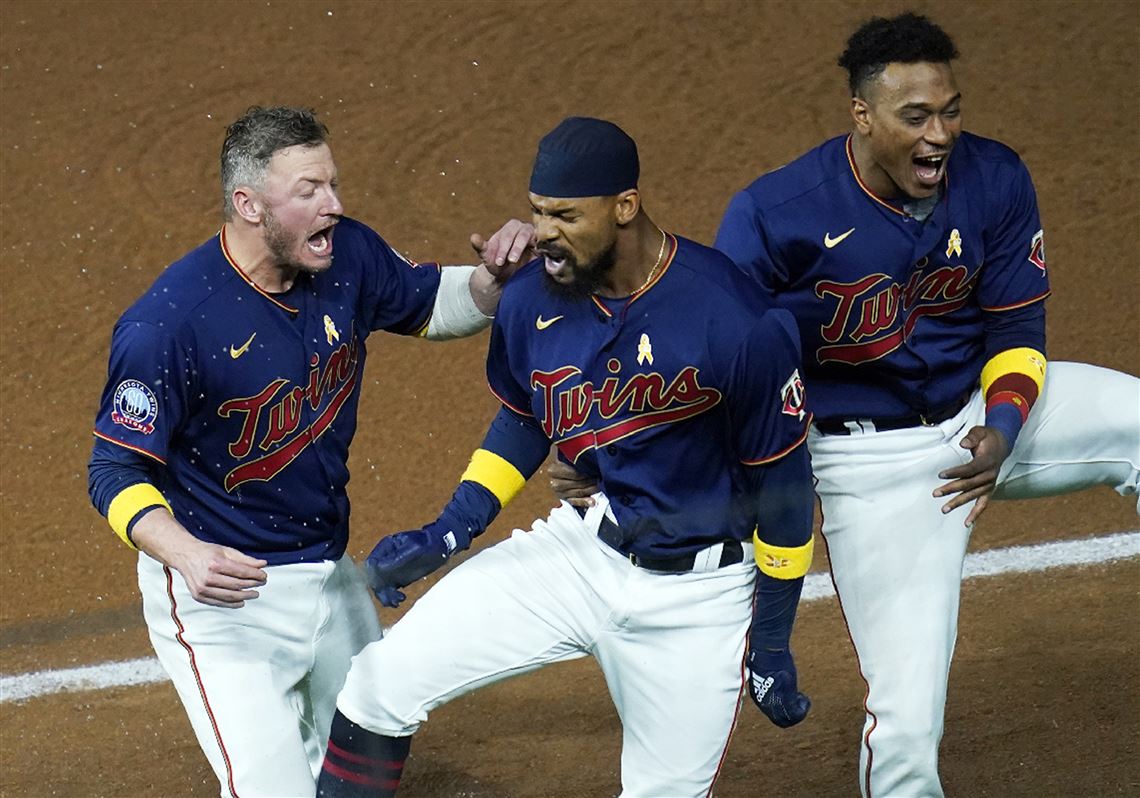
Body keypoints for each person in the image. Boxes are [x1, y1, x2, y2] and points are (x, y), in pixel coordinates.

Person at [314, 117, 817, 798]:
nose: (543, 232)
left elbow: (785, 486)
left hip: (699, 597)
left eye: (564, 216)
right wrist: (449, 530)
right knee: (380, 684)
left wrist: (775, 637)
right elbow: (524, 420)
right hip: (581, 555)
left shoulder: (734, 317)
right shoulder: (531, 300)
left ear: (625, 207)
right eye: (537, 212)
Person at [714, 13, 1140, 798]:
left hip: (984, 413)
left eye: (950, 110)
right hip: (870, 465)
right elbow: (723, 364)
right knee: (906, 729)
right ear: (863, 116)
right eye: (916, 116)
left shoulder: (995, 177)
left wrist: (1004, 425)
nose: (940, 133)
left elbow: (1017, 325)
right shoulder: (774, 216)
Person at [87, 105, 534, 798]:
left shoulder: (345, 253)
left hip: (328, 575)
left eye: (332, 184)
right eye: (310, 192)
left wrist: (489, 287)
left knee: (365, 772)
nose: (336, 205)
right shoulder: (169, 324)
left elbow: (423, 302)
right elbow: (112, 468)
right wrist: (185, 554)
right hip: (224, 601)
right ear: (249, 204)